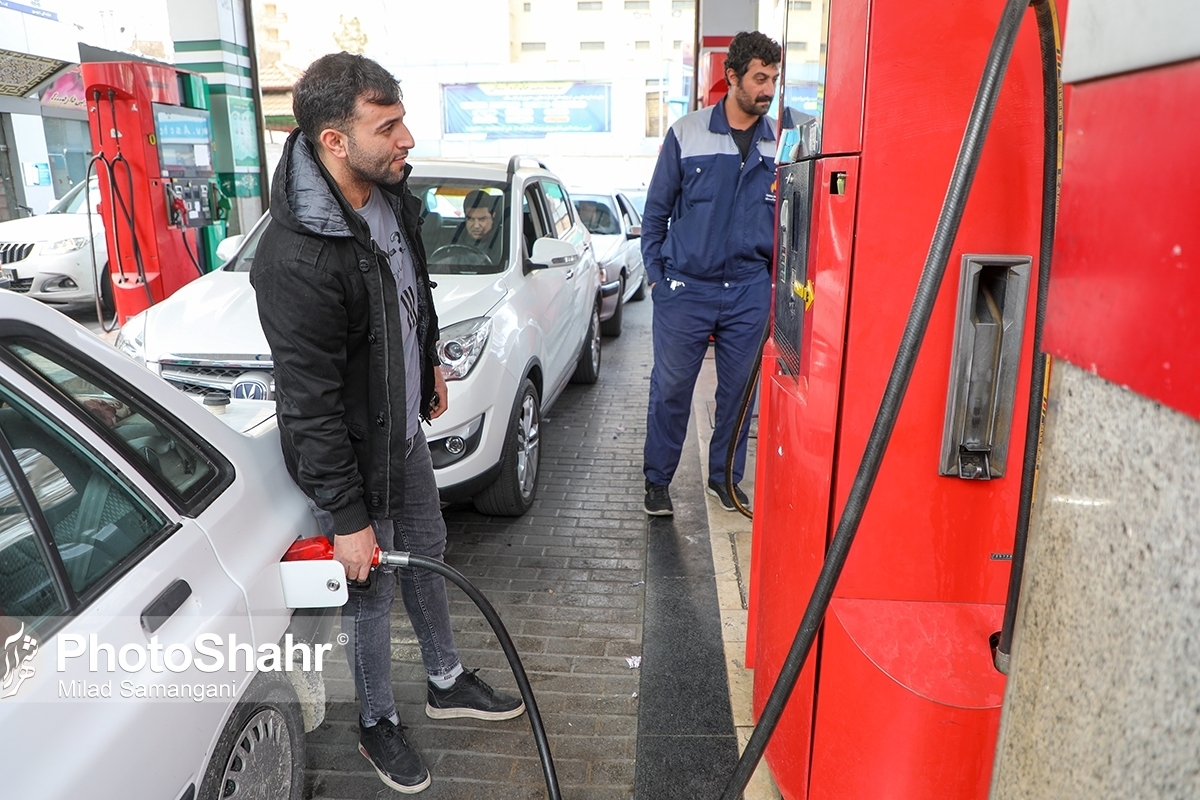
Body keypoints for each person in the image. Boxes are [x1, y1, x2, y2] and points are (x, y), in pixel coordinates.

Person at [250, 52, 524, 795]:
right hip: (354, 450)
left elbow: (413, 286)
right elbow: (308, 405)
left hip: (401, 428)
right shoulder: (297, 256)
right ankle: (375, 721)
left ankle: (443, 677)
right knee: (369, 584)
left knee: (429, 546)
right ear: (335, 141)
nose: (407, 138)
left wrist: (428, 357)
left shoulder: (390, 195)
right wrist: (346, 516)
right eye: (389, 125)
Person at [640, 31, 781, 516]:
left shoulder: (779, 143)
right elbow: (655, 214)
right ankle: (657, 482)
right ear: (733, 77)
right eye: (760, 78)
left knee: (739, 394)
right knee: (672, 389)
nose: (768, 89)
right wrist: (658, 279)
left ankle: (724, 480)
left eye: (774, 80)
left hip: (748, 290)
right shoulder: (687, 132)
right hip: (686, 289)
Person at [451, 188, 502, 262]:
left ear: (493, 216)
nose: (476, 226)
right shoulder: (452, 237)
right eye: (471, 219)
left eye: (482, 219)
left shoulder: (504, 240)